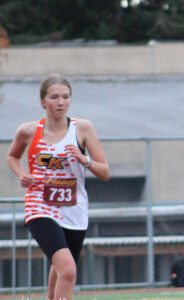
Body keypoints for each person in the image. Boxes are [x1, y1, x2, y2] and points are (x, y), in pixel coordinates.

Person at [6, 74, 110, 300]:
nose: (60, 102)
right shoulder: (28, 131)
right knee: (68, 270)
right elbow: (13, 156)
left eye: (65, 97)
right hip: (40, 207)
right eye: (54, 97)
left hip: (74, 209)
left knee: (61, 271)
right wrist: (22, 174)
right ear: (43, 102)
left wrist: (86, 161)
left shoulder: (82, 129)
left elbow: (105, 172)